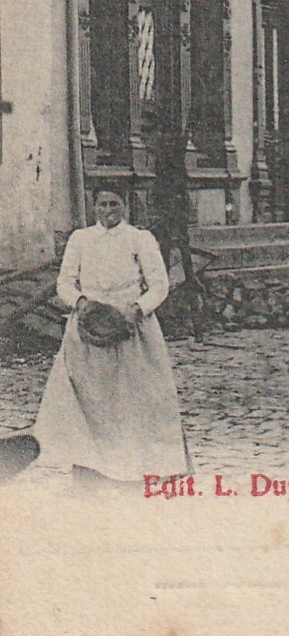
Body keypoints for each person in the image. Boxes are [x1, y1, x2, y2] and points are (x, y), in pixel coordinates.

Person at [34, 188, 189, 490]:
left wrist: (137, 309)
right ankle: (92, 466)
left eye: (115, 204)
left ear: (125, 206)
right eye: (103, 204)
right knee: (92, 398)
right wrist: (81, 304)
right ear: (94, 208)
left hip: (132, 328)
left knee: (137, 397)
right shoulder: (80, 239)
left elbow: (160, 285)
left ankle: (142, 465)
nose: (109, 210)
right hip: (89, 328)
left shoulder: (139, 239)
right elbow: (65, 282)